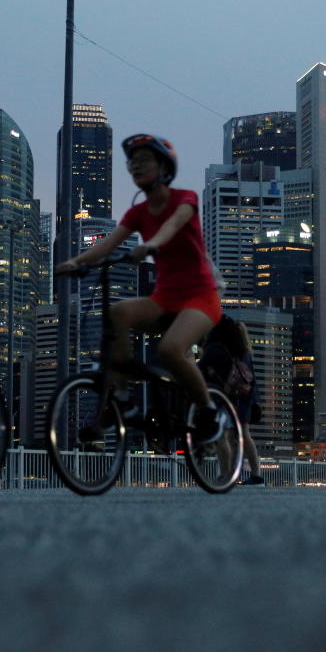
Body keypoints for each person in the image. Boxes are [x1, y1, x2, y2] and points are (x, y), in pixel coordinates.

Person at [55, 133, 228, 442]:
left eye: (144, 160)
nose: (136, 167)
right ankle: (123, 399)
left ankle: (209, 411)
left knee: (170, 350)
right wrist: (74, 263)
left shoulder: (185, 198)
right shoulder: (136, 213)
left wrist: (149, 245)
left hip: (201, 297)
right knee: (117, 312)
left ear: (164, 167)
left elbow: (172, 226)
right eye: (132, 163)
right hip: (165, 298)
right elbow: (107, 245)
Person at [199, 315, 263, 485]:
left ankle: (226, 476)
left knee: (223, 436)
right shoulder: (244, 351)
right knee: (245, 435)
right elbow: (251, 377)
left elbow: (202, 371)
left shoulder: (216, 349)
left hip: (224, 397)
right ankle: (257, 475)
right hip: (244, 397)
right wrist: (255, 400)